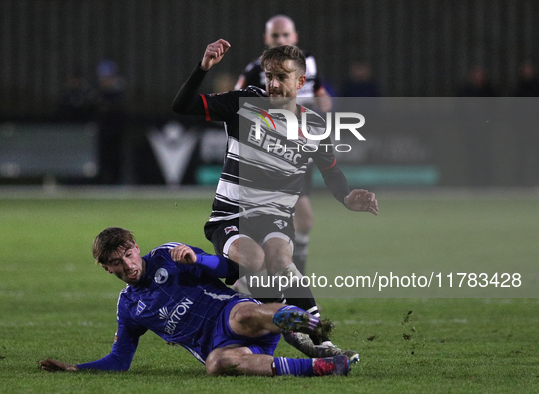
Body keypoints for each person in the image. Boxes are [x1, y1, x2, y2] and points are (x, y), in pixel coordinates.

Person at [172, 39, 378, 356]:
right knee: (254, 260)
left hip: (274, 217)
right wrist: (203, 68)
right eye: (269, 76)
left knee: (281, 260)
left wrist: (348, 197)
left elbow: (332, 173)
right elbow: (182, 106)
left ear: (300, 82)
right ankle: (287, 322)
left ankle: (321, 340)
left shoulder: (315, 125)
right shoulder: (245, 104)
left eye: (282, 77)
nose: (273, 84)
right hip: (230, 216)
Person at [39, 227, 353, 377]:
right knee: (215, 366)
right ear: (107, 268)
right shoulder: (129, 308)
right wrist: (76, 368)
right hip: (221, 348)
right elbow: (120, 360)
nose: (127, 265)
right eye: (116, 263)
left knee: (243, 315)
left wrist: (199, 259)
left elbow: (230, 268)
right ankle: (324, 367)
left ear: (135, 247)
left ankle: (304, 322)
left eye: (128, 255)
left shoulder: (167, 254)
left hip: (230, 314)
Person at [234, 15, 331, 277]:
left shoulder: (308, 63)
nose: (281, 40)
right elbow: (236, 105)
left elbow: (320, 93)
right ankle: (255, 281)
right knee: (268, 222)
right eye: (275, 36)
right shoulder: (255, 71)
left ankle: (286, 279)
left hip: (299, 151)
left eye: (285, 35)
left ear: (295, 37)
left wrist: (323, 105)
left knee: (304, 220)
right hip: (270, 155)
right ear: (266, 40)